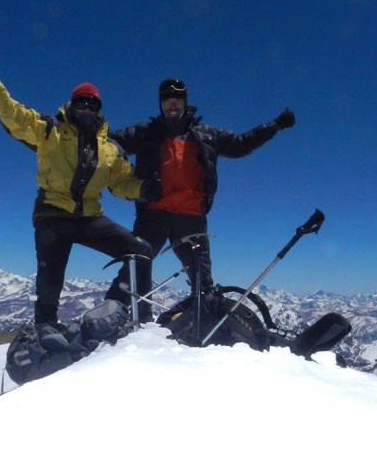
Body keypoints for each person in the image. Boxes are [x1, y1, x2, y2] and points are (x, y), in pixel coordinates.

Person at [0, 40, 160, 324]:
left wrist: (144, 189)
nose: (87, 109)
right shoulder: (50, 130)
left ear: (99, 110)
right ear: (72, 105)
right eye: (81, 102)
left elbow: (121, 182)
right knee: (49, 286)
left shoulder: (109, 147)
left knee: (140, 250)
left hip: (89, 217)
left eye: (93, 104)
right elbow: (13, 115)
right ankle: (45, 336)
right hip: (53, 215)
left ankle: (114, 314)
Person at [110, 78, 295, 306]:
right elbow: (108, 143)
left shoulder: (206, 134)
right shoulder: (145, 133)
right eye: (167, 101)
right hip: (154, 212)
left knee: (201, 278)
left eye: (177, 100)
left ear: (186, 103)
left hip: (191, 216)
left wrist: (274, 126)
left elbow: (240, 145)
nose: (172, 105)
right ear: (160, 105)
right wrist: (128, 177)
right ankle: (111, 315)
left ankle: (204, 323)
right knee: (135, 265)